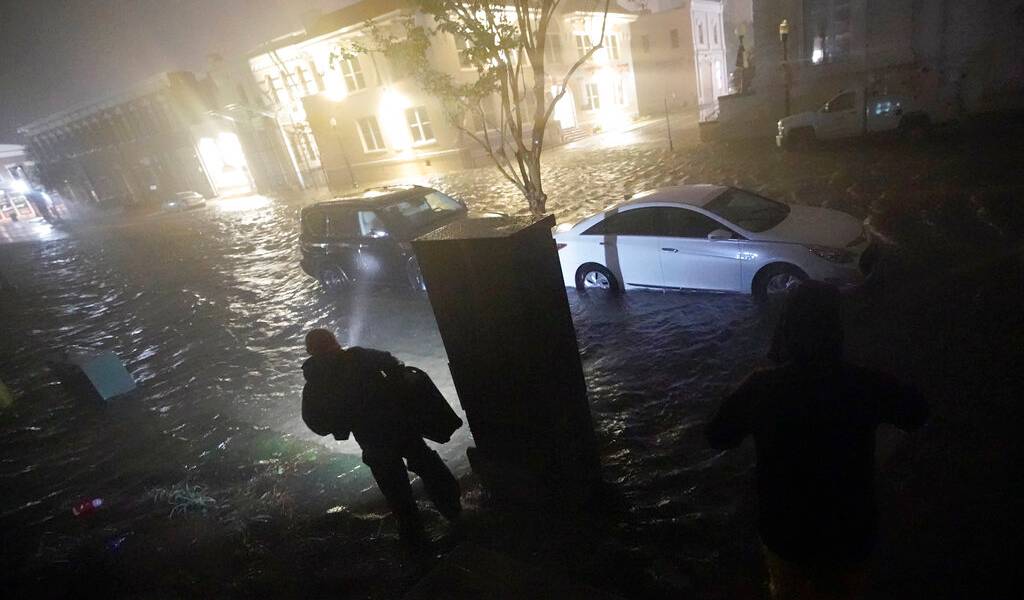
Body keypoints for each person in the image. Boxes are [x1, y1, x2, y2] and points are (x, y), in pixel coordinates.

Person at [706, 282, 928, 599]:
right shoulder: (863, 384)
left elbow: (717, 436)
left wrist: (746, 387)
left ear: (787, 329)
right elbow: (916, 413)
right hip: (850, 529)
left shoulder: (762, 387)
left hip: (785, 530)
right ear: (835, 330)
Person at [300, 328, 461, 546]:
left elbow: (314, 420)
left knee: (397, 492)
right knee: (429, 467)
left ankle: (417, 542)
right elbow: (391, 362)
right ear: (335, 342)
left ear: (311, 351)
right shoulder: (357, 357)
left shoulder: (315, 382)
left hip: (371, 438)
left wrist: (340, 426)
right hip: (398, 425)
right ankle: (455, 515)